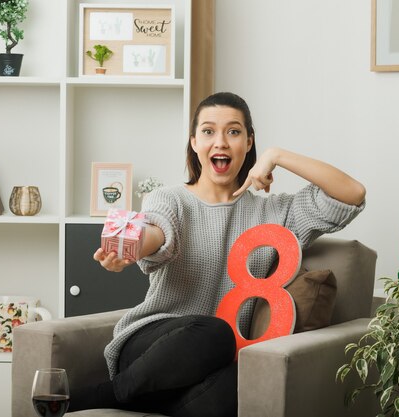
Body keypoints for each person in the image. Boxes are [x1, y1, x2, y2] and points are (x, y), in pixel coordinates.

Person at [72, 92, 366, 417]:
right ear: (195, 142)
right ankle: (108, 394)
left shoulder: (276, 212)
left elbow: (352, 194)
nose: (221, 142)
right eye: (209, 131)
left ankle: (142, 399)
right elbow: (156, 232)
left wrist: (278, 155)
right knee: (215, 331)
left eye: (234, 131)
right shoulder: (169, 199)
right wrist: (132, 247)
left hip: (213, 364)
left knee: (245, 379)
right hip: (154, 346)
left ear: (249, 142)